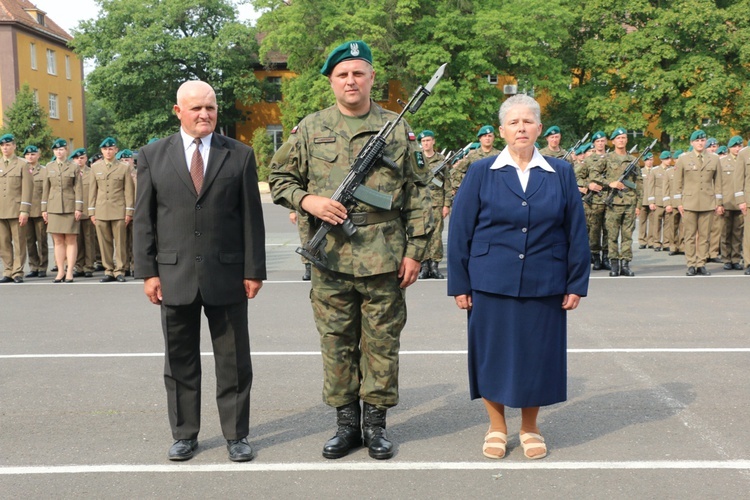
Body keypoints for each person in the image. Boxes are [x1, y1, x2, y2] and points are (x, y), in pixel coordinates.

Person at [268, 40, 433, 460]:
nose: (351, 81)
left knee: (381, 343)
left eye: (358, 73)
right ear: (331, 82)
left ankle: (375, 425)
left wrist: (416, 252)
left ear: (372, 77)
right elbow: (281, 178)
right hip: (331, 257)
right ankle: (346, 426)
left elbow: (418, 194)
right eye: (342, 74)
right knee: (336, 342)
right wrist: (310, 202)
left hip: (384, 254)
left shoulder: (396, 129)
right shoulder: (309, 128)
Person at [447, 94, 590, 460]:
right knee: (492, 355)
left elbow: (576, 230)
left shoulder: (561, 172)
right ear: (502, 130)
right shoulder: (482, 172)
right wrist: (459, 283)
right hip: (490, 280)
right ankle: (497, 426)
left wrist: (576, 283)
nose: (521, 128)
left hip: (546, 279)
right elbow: (461, 228)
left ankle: (530, 426)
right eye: (514, 122)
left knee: (536, 356)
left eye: (528, 121)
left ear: (539, 128)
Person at [134, 80, 266, 462]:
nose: (205, 114)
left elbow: (251, 220)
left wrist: (253, 270)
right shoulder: (153, 155)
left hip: (227, 275)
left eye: (210, 107)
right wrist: (148, 272)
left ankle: (236, 435)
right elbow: (144, 220)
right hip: (172, 275)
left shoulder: (239, 155)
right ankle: (184, 434)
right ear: (178, 111)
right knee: (179, 362)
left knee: (234, 362)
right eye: (196, 108)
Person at [674, 130, 723, 276]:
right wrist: (678, 202)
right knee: (689, 235)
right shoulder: (683, 159)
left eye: (702, 141)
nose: (700, 143)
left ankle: (701, 263)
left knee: (704, 235)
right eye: (697, 141)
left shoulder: (714, 159)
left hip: (708, 202)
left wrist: (718, 202)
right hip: (689, 202)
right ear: (692, 143)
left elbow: (718, 182)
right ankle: (691, 263)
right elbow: (678, 182)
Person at [89, 137, 135, 282]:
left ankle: (120, 270)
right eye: (105, 149)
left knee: (121, 242)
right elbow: (92, 191)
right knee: (104, 242)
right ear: (101, 151)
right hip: (101, 210)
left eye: (110, 149)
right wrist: (91, 211)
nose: (108, 152)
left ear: (116, 150)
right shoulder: (95, 167)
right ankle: (108, 270)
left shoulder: (123, 167)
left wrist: (129, 211)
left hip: (118, 210)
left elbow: (128, 191)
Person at [42, 139, 83, 283]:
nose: (58, 152)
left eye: (61, 150)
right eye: (56, 150)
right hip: (53, 207)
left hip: (69, 207)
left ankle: (70, 271)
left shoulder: (74, 167)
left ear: (66, 151)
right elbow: (45, 189)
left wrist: (78, 207)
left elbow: (78, 188)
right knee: (58, 240)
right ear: (53, 152)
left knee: (71, 240)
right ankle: (60, 271)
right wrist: (44, 209)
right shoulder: (49, 166)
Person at [603, 127, 641, 277]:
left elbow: (639, 182)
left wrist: (639, 204)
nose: (621, 140)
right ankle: (614, 264)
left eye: (624, 138)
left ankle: (625, 264)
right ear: (613, 141)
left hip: (629, 202)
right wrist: (610, 183)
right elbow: (594, 176)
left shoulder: (633, 160)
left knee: (627, 236)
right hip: (613, 203)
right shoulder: (606, 158)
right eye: (618, 138)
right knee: (612, 235)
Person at [417, 129, 451, 279]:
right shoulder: (417, 160)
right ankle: (424, 266)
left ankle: (434, 266)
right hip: (420, 202)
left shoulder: (441, 160)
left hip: (437, 202)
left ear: (433, 142)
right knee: (423, 233)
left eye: (428, 140)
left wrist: (446, 205)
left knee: (436, 235)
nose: (426, 143)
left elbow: (447, 184)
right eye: (424, 141)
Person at [0, 133, 33, 283]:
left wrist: (24, 210)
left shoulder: (22, 164)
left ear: (14, 146)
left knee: (19, 242)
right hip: (1, 209)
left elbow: (27, 188)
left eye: (8, 145)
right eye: (2, 145)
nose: (5, 148)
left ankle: (17, 271)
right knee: (3, 242)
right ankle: (8, 270)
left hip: (16, 208)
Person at [582, 130, 611, 271]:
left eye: (602, 141)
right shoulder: (588, 160)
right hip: (594, 201)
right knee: (594, 230)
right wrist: (588, 185)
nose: (600, 143)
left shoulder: (612, 158)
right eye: (597, 141)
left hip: (611, 199)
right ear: (594, 143)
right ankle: (595, 256)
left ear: (605, 142)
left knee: (608, 230)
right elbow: (576, 177)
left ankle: (606, 256)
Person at [450, 125, 500, 195]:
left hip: (494, 192)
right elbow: (455, 171)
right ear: (480, 139)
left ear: (493, 138)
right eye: (485, 136)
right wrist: (463, 185)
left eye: (490, 136)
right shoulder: (472, 155)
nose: (487, 138)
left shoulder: (499, 155)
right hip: (475, 193)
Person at [719, 136, 744, 270]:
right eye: (734, 146)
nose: (737, 149)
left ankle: (735, 258)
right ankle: (726, 259)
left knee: (737, 233)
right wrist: (719, 203)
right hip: (726, 201)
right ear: (729, 148)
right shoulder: (722, 162)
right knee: (725, 232)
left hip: (740, 202)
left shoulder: (744, 160)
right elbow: (718, 184)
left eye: (739, 146)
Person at [70, 148, 97, 278]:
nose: (79, 160)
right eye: (76, 158)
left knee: (89, 240)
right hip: (75, 211)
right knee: (77, 241)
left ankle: (89, 266)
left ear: (86, 159)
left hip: (88, 210)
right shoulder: (71, 172)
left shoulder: (92, 173)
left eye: (81, 158)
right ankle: (79, 266)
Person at [23, 145, 49, 278]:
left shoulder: (44, 171)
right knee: (29, 240)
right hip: (26, 211)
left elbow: (46, 192)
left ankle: (43, 267)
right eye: (27, 155)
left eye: (33, 154)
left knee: (42, 240)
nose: (30, 157)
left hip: (39, 211)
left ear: (38, 155)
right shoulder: (22, 170)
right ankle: (33, 266)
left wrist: (46, 209)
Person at [637, 153, 654, 249]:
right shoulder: (640, 171)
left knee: (652, 222)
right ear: (644, 161)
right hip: (643, 200)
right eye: (648, 160)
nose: (649, 162)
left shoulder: (655, 171)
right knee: (642, 221)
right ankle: (642, 241)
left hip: (652, 200)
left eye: (651, 160)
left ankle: (651, 240)